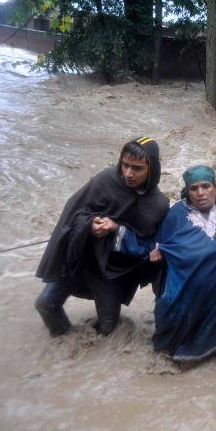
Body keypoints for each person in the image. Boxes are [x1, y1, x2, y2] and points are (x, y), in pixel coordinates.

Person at [109, 165, 216, 363]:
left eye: (206, 186)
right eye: (194, 188)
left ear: (215, 187)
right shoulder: (175, 214)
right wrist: (117, 229)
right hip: (182, 295)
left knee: (210, 344)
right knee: (170, 353)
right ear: (187, 191)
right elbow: (152, 242)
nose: (201, 193)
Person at [34, 137, 169, 337]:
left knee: (109, 329)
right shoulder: (106, 179)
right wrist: (90, 225)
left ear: (152, 169)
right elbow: (74, 213)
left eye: (137, 168)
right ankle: (62, 340)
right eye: (125, 165)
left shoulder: (158, 204)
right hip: (81, 259)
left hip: (111, 272)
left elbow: (149, 248)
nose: (128, 173)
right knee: (46, 304)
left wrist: (116, 229)